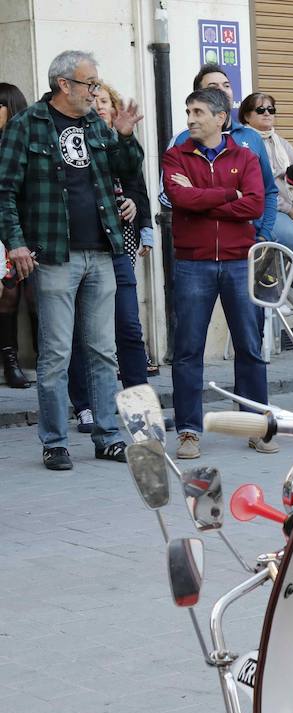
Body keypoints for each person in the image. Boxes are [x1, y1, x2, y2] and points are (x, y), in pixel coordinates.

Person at [0, 50, 141, 470]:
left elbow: (126, 168)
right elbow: (4, 191)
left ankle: (108, 435)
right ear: (65, 85)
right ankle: (55, 441)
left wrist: (125, 135)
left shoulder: (96, 124)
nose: (95, 91)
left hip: (101, 250)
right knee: (56, 352)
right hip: (54, 254)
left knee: (103, 350)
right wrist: (16, 244)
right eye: (89, 84)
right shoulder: (27, 126)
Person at [163, 88, 268, 460]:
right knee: (188, 350)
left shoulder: (247, 156)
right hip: (193, 263)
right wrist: (229, 195)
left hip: (241, 262)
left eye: (198, 112)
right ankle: (189, 431)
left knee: (250, 348)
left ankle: (257, 425)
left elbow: (255, 203)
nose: (190, 119)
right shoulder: (175, 155)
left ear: (221, 118)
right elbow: (181, 200)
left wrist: (206, 197)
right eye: (188, 111)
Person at [68, 83, 153, 433]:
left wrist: (140, 214)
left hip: (119, 244)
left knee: (129, 327)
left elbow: (137, 184)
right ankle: (84, 404)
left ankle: (139, 406)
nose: (100, 105)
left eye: (106, 101)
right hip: (82, 246)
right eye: (96, 100)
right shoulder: (78, 139)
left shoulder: (124, 140)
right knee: (81, 330)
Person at [169, 65, 276, 243]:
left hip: (248, 240)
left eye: (226, 86)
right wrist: (233, 196)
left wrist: (264, 233)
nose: (223, 91)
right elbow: (172, 198)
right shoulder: (181, 141)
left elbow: (269, 191)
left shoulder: (251, 137)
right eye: (214, 87)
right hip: (199, 244)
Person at [241, 92, 293, 305]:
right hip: (268, 208)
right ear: (246, 116)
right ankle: (271, 289)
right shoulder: (245, 143)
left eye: (271, 109)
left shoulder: (280, 142)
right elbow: (262, 188)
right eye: (260, 110)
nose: (267, 114)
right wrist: (291, 211)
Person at [0, 82, 32, 389]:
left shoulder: (26, 140)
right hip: (3, 232)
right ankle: (10, 361)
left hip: (29, 229)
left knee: (35, 295)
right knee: (7, 294)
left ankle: (41, 359)